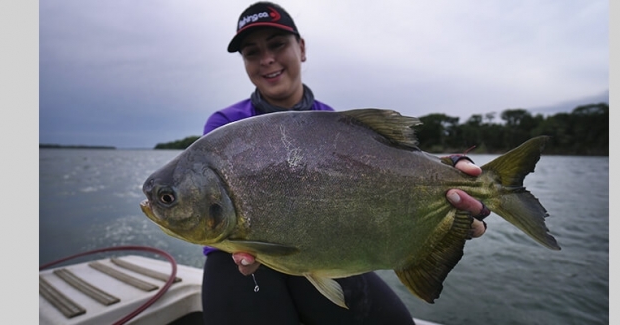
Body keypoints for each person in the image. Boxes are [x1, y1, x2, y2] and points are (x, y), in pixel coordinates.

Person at [201, 2, 490, 324]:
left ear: (302, 48)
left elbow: (385, 176)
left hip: (322, 250)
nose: (266, 58)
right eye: (251, 52)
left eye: (277, 44)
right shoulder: (225, 125)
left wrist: (447, 175)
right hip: (237, 255)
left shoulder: (337, 125)